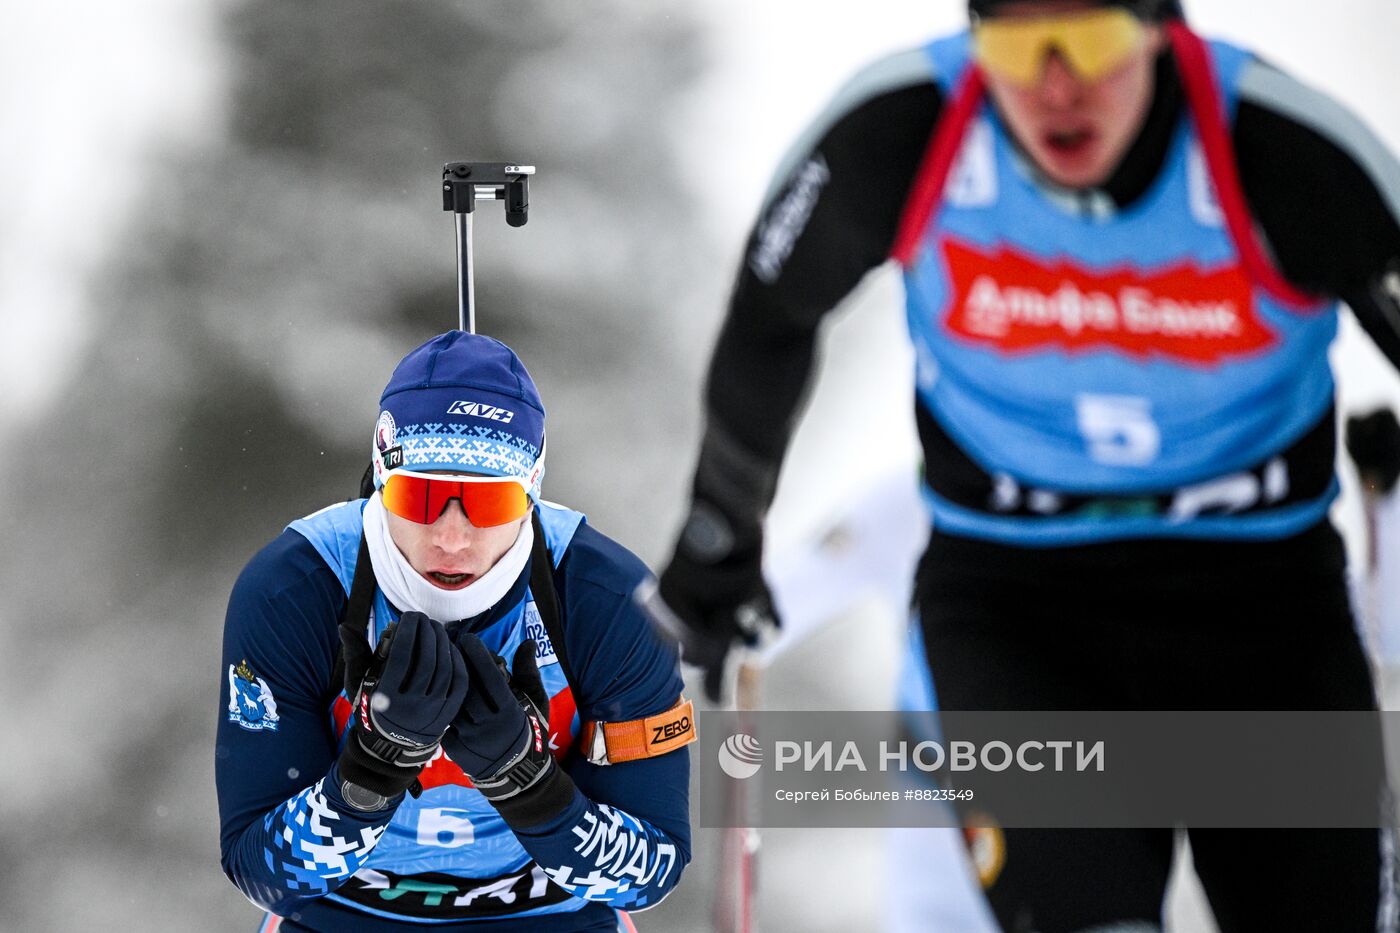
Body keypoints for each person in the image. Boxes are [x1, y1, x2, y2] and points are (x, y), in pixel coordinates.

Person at [655, 0, 1400, 929]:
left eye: (1089, 43)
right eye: (1013, 45)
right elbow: (771, 317)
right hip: (1019, 603)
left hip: (1260, 603)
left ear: (1163, 30)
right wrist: (719, 537)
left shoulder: (1285, 151)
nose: (1055, 85)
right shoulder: (900, 129)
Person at [217, 332, 695, 932]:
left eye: (488, 504)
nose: (451, 537)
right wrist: (371, 773)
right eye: (421, 496)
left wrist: (526, 781)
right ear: (381, 479)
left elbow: (652, 873)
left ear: (531, 495)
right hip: (342, 920)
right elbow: (261, 873)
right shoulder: (298, 587)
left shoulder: (605, 601)